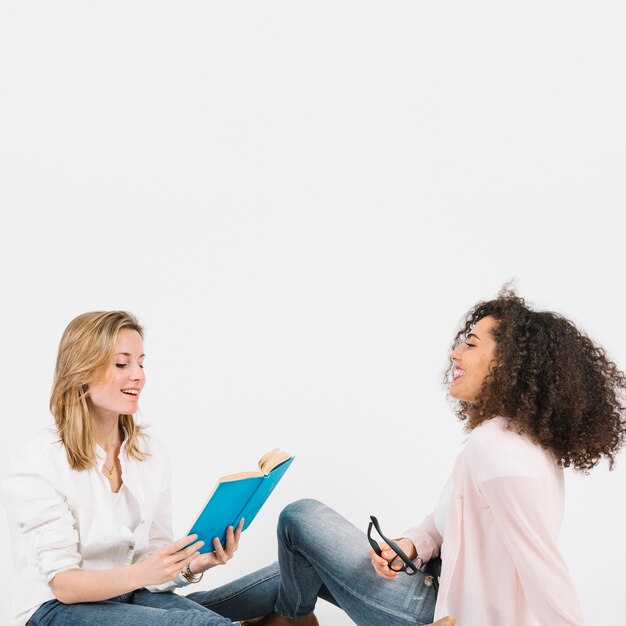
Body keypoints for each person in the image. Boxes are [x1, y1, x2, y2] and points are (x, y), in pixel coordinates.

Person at [250, 289, 626, 626]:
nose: (455, 353)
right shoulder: (509, 439)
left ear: (509, 364)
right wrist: (413, 544)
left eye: (472, 345)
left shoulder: (498, 452)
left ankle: (261, 618)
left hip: (436, 615)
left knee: (300, 518)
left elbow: (543, 571)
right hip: (427, 583)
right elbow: (448, 521)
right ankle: (193, 610)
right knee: (295, 567)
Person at [1, 311, 280, 626]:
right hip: (54, 610)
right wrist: (144, 573)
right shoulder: (39, 459)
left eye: (141, 363)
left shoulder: (149, 452)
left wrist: (193, 565)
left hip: (130, 594)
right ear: (80, 372)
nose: (138, 375)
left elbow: (151, 565)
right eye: (122, 364)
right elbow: (64, 585)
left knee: (217, 617)